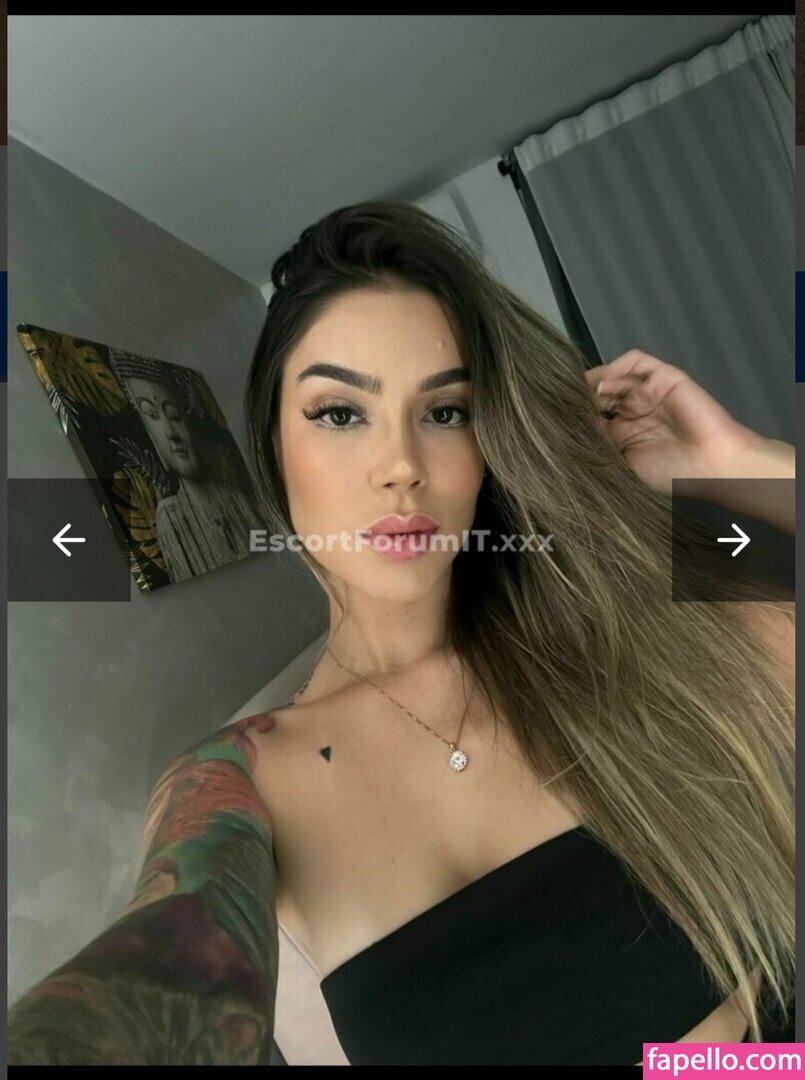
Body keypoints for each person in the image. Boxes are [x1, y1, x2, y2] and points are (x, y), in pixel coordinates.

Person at [8, 201, 795, 1065]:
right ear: (273, 449)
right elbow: (156, 972)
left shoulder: (623, 636)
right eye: (339, 412)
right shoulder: (240, 776)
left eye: (445, 411)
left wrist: (738, 465)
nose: (400, 467)